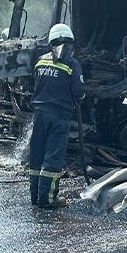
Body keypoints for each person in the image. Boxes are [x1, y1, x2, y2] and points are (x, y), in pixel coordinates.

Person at [28, 23, 84, 209]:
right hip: (59, 115)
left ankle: (35, 196)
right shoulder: (72, 64)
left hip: (39, 114)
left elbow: (36, 84)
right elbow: (79, 92)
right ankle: (48, 198)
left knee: (37, 154)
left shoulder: (41, 60)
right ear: (70, 42)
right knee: (53, 156)